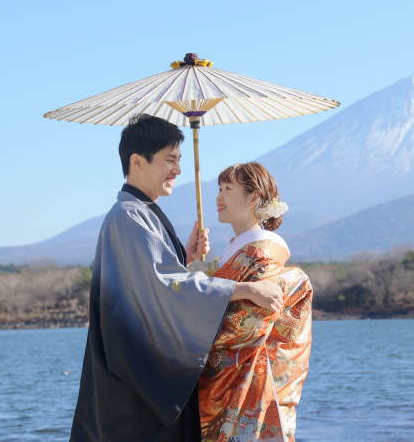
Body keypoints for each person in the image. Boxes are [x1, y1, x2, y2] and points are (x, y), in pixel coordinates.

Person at [71, 115, 284, 442]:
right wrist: (243, 288)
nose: (178, 170)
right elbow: (161, 286)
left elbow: (151, 282)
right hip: (137, 383)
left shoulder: (139, 212)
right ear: (137, 162)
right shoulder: (129, 216)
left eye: (180, 160)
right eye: (170, 160)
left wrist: (183, 257)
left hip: (141, 373)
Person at [198, 162, 312, 442]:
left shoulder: (263, 254)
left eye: (227, 188)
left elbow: (245, 326)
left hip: (243, 381)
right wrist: (199, 267)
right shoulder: (239, 248)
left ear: (253, 198)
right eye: (219, 188)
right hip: (234, 380)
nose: (218, 197)